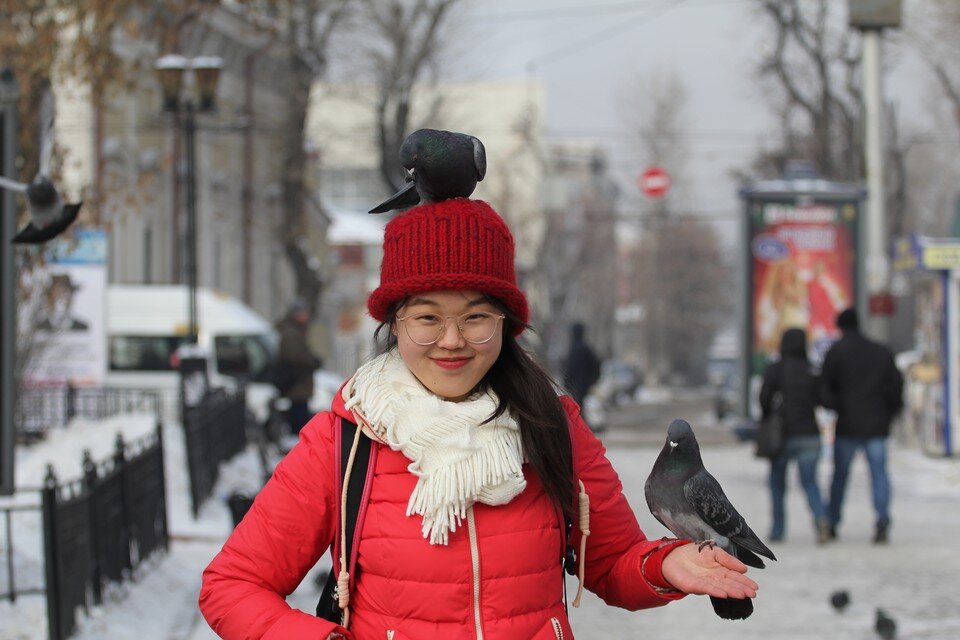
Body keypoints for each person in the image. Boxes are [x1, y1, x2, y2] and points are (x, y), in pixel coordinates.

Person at [199, 194, 760, 639]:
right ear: (395, 322)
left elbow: (610, 562)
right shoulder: (346, 438)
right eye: (427, 317)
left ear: (506, 322)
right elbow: (232, 585)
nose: (451, 341)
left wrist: (665, 568)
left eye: (476, 317)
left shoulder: (552, 426)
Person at [819, 308, 904, 544]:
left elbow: (824, 388)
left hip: (847, 424)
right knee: (879, 475)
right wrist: (890, 412)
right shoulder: (881, 351)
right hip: (877, 424)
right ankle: (882, 520)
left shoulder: (836, 352)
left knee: (840, 476)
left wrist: (836, 406)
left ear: (841, 327)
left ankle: (833, 521)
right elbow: (896, 385)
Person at [758, 327, 830, 544]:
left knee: (777, 483)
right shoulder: (811, 369)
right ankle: (821, 519)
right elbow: (824, 399)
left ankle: (778, 529)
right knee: (810, 482)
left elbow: (764, 398)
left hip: (782, 435)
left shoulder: (776, 369)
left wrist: (769, 416)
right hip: (809, 433)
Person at [275, 299, 322, 434]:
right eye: (303, 313)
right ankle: (297, 435)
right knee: (299, 412)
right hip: (297, 381)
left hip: (299, 381)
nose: (306, 316)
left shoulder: (297, 330)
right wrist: (312, 362)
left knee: (300, 409)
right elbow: (295, 356)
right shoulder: (291, 333)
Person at [562, 321, 602, 407]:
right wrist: (592, 381)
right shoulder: (587, 348)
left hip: (576, 386)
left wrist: (566, 383)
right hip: (584, 386)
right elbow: (596, 365)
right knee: (581, 408)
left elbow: (570, 368)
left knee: (578, 409)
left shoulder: (574, 349)